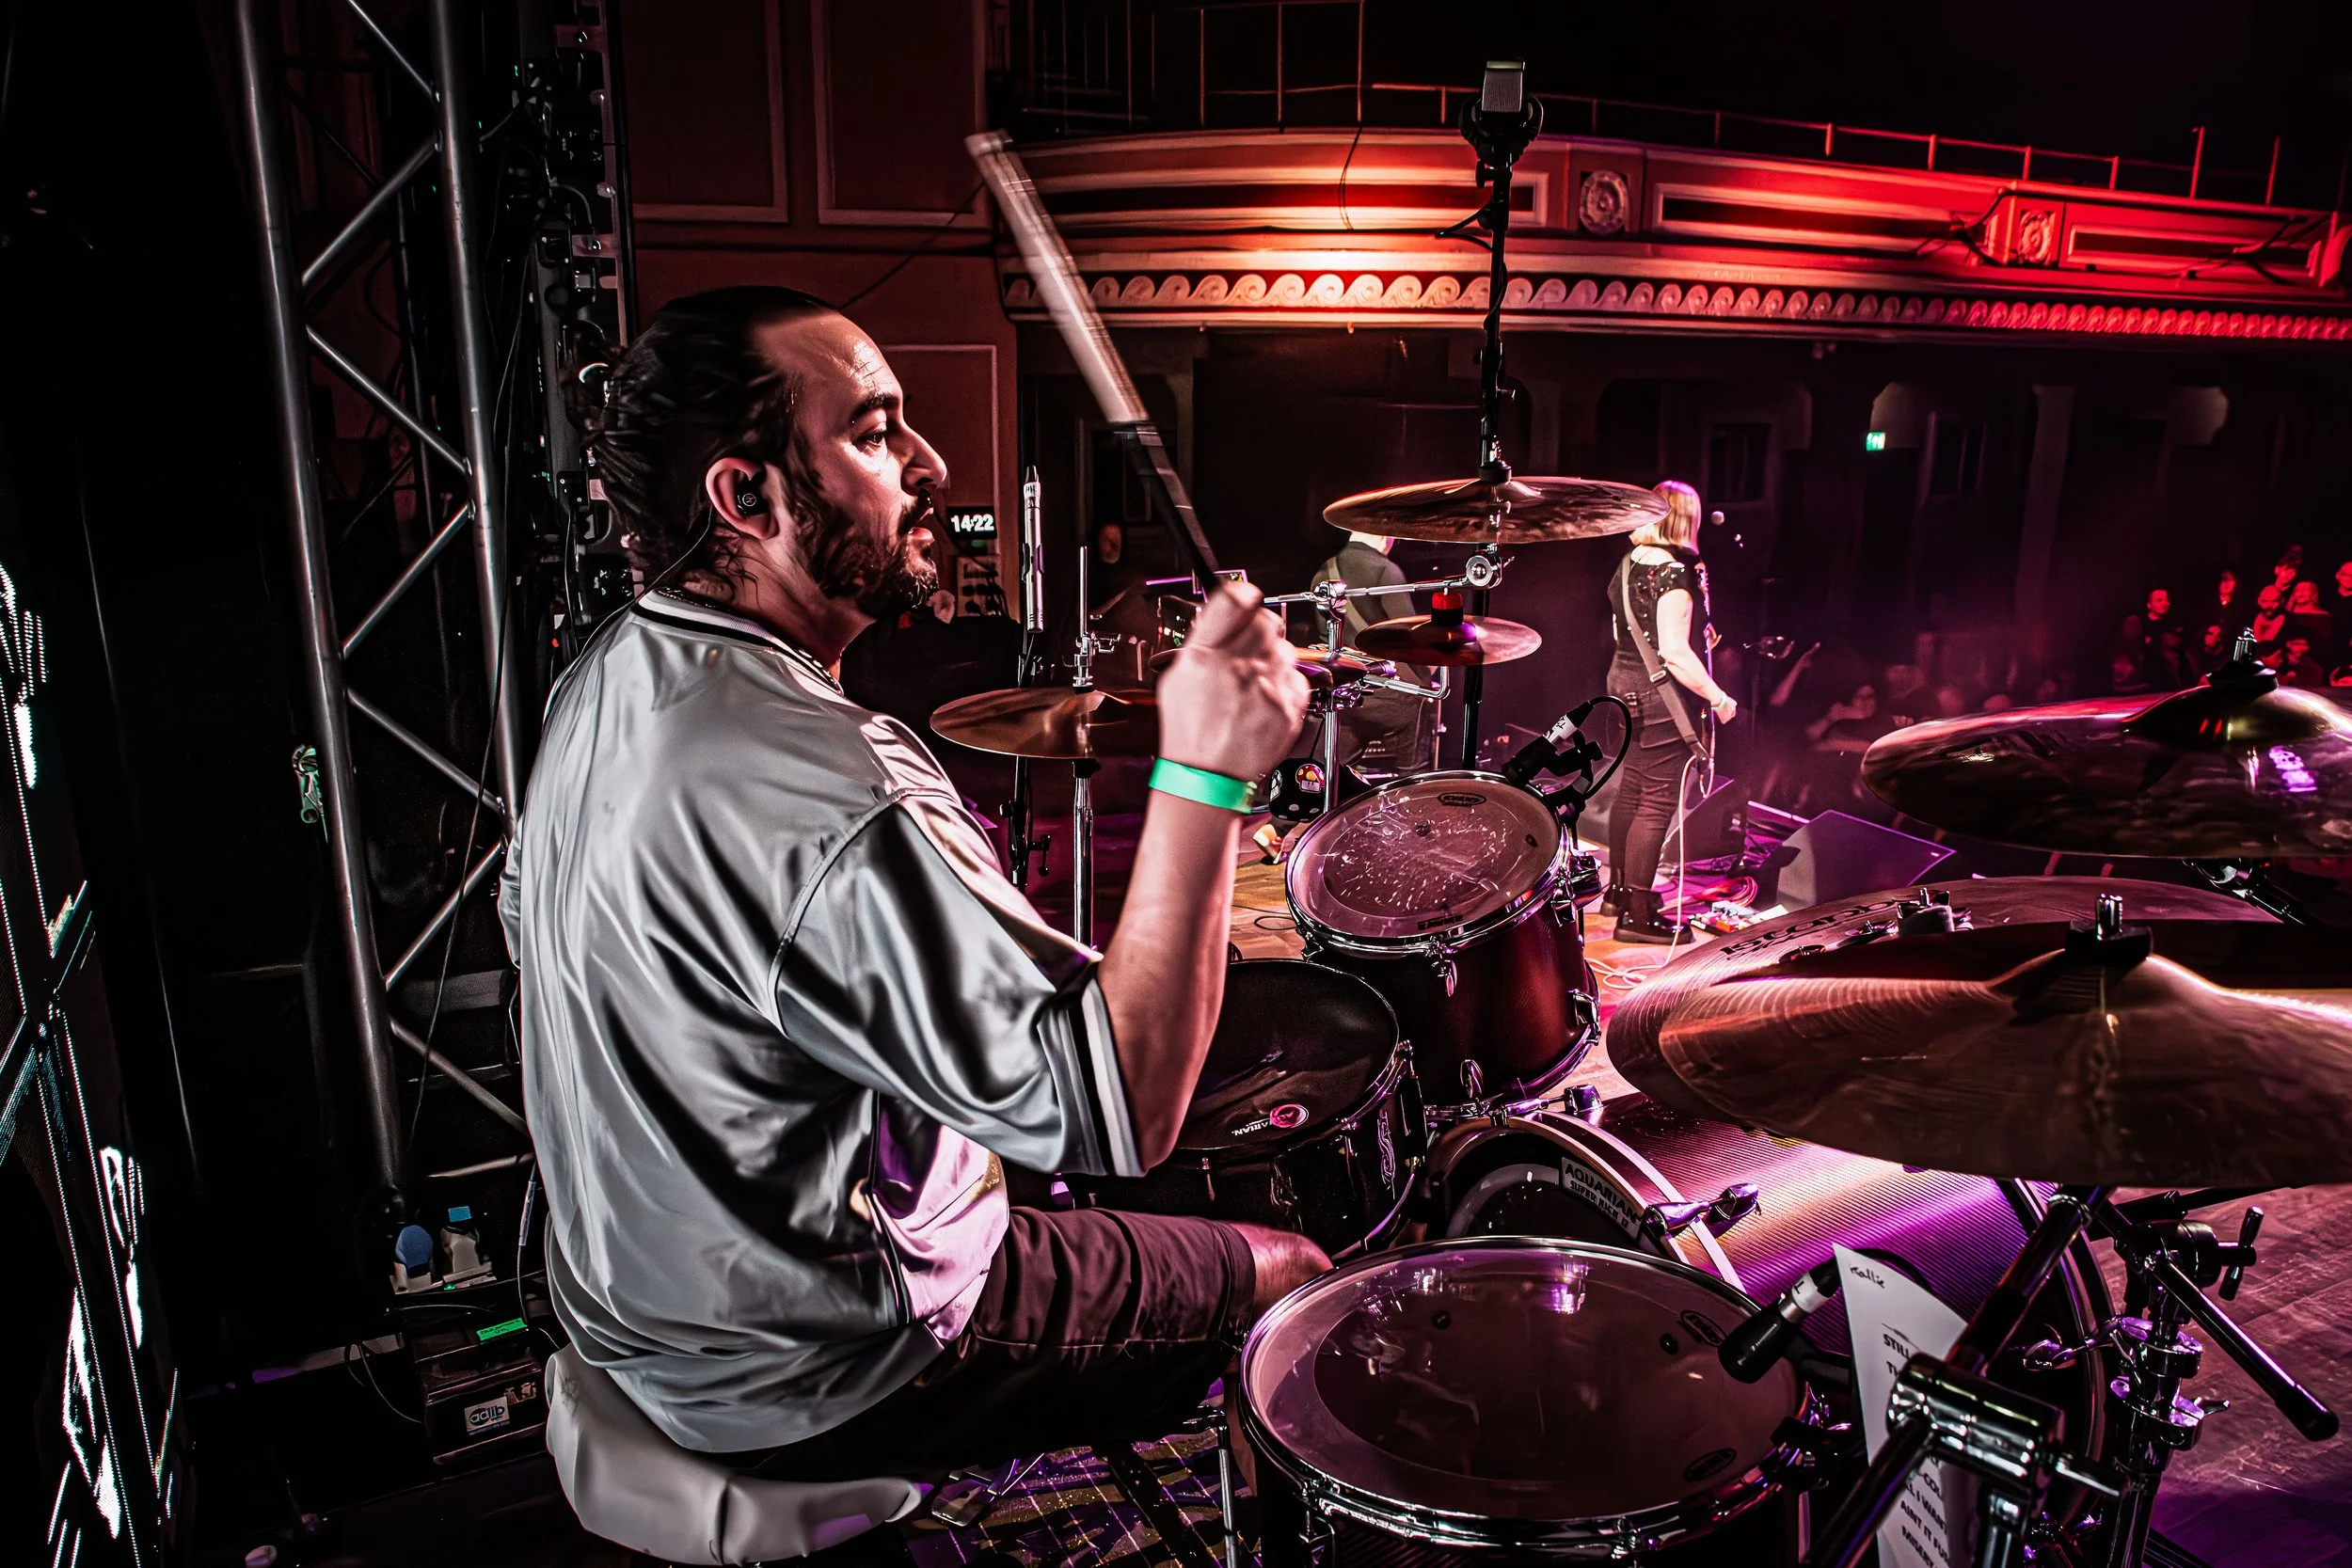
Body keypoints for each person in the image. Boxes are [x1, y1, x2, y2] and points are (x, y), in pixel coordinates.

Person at [502, 287, 1321, 1480]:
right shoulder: (831, 778)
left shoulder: (602, 681)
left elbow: (541, 932)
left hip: (646, 1316)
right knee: (1292, 1276)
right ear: (747, 498)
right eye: (876, 432)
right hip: (823, 1360)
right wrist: (1207, 769)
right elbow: (1117, 1109)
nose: (930, 465)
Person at [1601, 480, 1736, 943]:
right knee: (1657, 800)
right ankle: (1638, 916)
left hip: (1623, 681)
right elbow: (1674, 654)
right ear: (1687, 519)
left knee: (1632, 790)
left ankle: (1619, 892)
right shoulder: (1672, 573)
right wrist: (1718, 698)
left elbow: (1633, 629)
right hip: (1658, 693)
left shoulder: (1631, 560)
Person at [1308, 529, 1438, 775]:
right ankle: (1413, 784)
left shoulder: (1323, 571)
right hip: (1386, 695)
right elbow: (1409, 637)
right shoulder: (1386, 570)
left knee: (1333, 772)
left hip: (1342, 693)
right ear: (1385, 536)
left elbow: (1327, 637)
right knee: (1416, 705)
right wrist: (1429, 672)